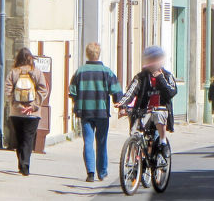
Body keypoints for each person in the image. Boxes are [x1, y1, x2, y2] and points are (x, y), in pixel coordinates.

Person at [68, 42, 122, 182]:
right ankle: (102, 172)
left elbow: (72, 91)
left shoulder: (80, 72)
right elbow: (116, 91)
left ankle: (90, 173)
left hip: (85, 112)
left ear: (87, 54)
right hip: (101, 112)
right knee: (101, 142)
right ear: (99, 53)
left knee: (88, 142)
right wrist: (119, 104)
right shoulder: (106, 72)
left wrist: (78, 101)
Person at [119, 45, 177, 165]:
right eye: (150, 60)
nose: (152, 63)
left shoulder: (166, 76)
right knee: (135, 133)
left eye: (155, 59)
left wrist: (160, 78)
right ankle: (136, 162)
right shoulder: (141, 77)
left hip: (159, 111)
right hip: (144, 111)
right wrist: (123, 104)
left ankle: (163, 142)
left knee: (158, 115)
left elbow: (171, 92)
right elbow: (131, 91)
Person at [5, 47, 48, 176]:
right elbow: (43, 90)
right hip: (32, 114)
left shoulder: (13, 72)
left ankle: (21, 163)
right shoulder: (37, 72)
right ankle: (25, 164)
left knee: (19, 139)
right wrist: (33, 106)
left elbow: (8, 91)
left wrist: (18, 106)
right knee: (28, 139)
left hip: (16, 113)